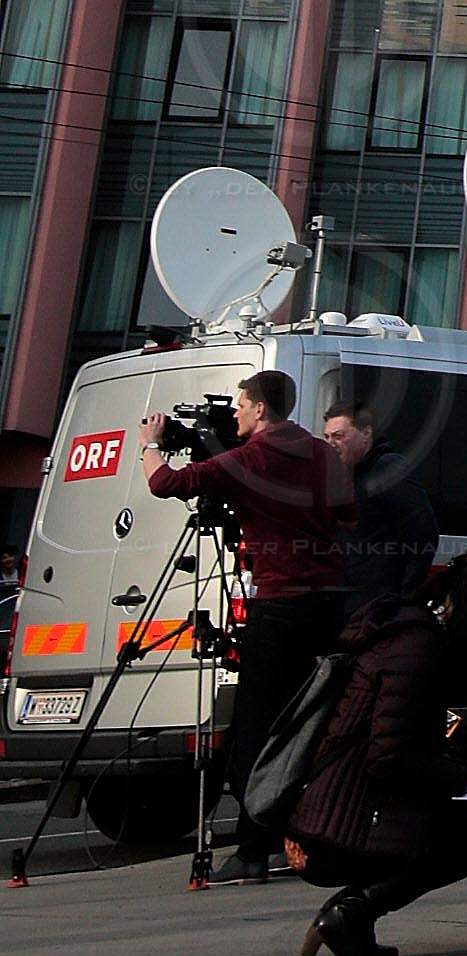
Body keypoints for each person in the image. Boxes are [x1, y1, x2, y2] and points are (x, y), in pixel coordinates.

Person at [290, 541, 467, 956]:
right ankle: (354, 911)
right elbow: (387, 760)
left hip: (344, 810)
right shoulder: (417, 649)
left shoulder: (414, 633)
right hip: (340, 826)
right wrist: (465, 780)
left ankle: (355, 912)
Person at [141, 367, 347, 883]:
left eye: (240, 406)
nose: (234, 414)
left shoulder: (251, 457)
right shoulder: (323, 452)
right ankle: (313, 832)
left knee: (258, 725)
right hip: (328, 603)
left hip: (279, 604)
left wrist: (150, 444)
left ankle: (255, 844)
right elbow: (348, 513)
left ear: (259, 409)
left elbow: (167, 483)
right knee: (315, 720)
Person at [322, 395, 442, 611]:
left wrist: (403, 599)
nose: (331, 445)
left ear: (366, 433)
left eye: (339, 436)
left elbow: (423, 533)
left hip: (376, 607)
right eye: (327, 437)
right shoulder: (342, 475)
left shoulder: (388, 469)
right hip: (341, 603)